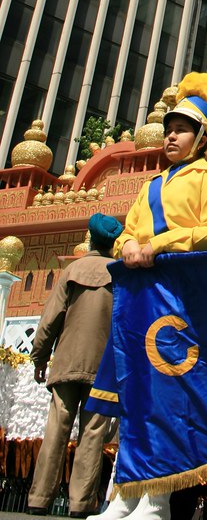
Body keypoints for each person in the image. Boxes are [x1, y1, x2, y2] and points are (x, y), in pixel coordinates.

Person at [87, 72, 207, 520]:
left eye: (182, 129)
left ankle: (157, 500)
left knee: (167, 397)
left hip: (178, 296)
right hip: (139, 296)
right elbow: (128, 232)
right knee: (134, 395)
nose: (171, 135)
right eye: (169, 129)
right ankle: (125, 495)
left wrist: (159, 246)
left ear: (202, 136)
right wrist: (126, 245)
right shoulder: (150, 186)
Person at [27, 213, 124, 518]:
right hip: (104, 369)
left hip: (67, 361)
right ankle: (81, 504)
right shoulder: (120, 277)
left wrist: (40, 357)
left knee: (56, 429)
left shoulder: (73, 270)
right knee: (92, 433)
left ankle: (39, 499)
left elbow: (50, 320)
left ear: (90, 238)